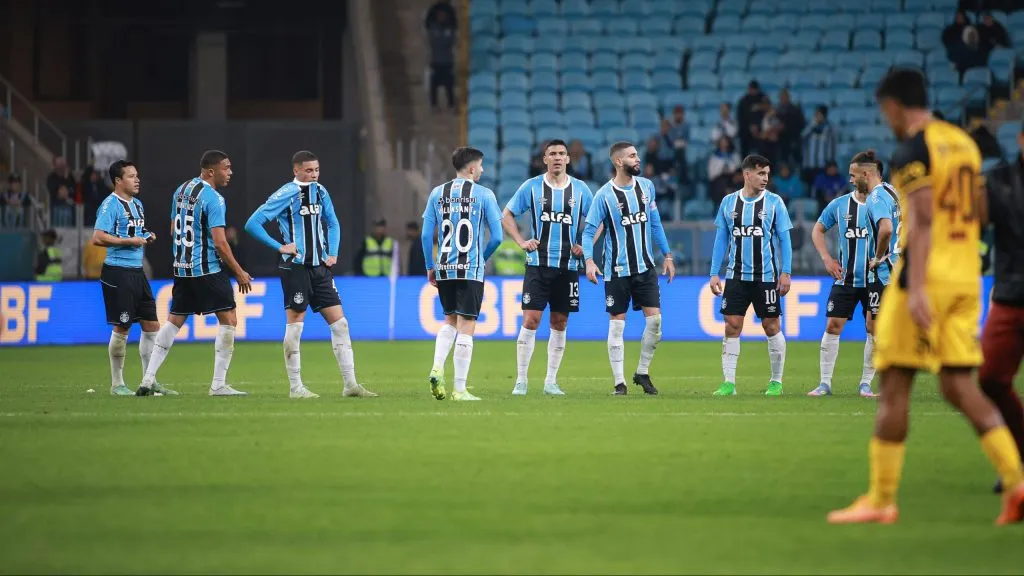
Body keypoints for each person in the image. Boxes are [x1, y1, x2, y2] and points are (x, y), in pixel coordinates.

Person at [828, 67, 1024, 525]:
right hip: (965, 279)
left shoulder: (913, 149)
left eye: (885, 111)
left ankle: (880, 498)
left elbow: (923, 218)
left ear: (894, 105)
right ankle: (1017, 483)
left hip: (926, 279)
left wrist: (916, 289)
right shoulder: (964, 144)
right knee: (959, 386)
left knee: (894, 385)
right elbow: (975, 210)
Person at [244, 150, 377, 399]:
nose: (314, 175)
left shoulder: (321, 192)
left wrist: (333, 253)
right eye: (308, 170)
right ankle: (296, 388)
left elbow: (333, 223)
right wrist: (280, 246)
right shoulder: (287, 193)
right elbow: (253, 223)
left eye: (316, 170)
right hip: (295, 268)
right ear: (296, 170)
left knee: (341, 324)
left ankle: (350, 385)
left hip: (320, 269)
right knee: (295, 327)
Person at [136, 150, 252, 397]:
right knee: (229, 320)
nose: (230, 173)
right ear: (211, 171)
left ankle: (147, 378)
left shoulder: (181, 190)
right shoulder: (214, 199)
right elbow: (220, 243)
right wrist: (239, 271)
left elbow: (172, 228)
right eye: (226, 168)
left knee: (174, 320)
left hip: (182, 268)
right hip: (207, 268)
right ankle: (218, 385)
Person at [582, 141, 675, 396]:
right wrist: (589, 261)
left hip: (645, 268)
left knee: (655, 322)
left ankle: (642, 373)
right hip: (617, 270)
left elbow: (655, 224)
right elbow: (589, 231)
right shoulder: (604, 195)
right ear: (618, 162)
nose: (638, 159)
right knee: (617, 326)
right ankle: (619, 383)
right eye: (633, 156)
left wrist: (667, 255)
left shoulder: (646, 187)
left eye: (637, 155)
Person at [502, 139, 594, 396]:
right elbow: (506, 214)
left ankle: (550, 381)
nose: (556, 157)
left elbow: (599, 220)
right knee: (530, 320)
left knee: (560, 322)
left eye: (561, 154)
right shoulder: (531, 187)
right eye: (552, 153)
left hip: (568, 267)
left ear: (568, 159)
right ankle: (521, 380)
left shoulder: (580, 190)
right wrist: (521, 241)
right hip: (538, 265)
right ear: (544, 159)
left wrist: (585, 245)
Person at [807, 150, 900, 398]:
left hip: (876, 277)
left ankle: (866, 383)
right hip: (846, 278)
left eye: (853, 175)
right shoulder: (840, 205)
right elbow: (817, 230)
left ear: (865, 174)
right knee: (833, 325)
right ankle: (824, 383)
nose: (849, 179)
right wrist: (827, 259)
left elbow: (891, 230)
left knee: (874, 328)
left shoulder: (883, 201)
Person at [422, 147, 503, 401]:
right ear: (471, 168)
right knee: (467, 326)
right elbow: (498, 237)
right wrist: (481, 258)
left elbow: (426, 235)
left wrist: (430, 265)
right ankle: (459, 389)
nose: (482, 170)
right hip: (470, 269)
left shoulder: (437, 193)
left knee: (450, 321)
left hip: (444, 267)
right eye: (480, 165)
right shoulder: (484, 194)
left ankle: (437, 367)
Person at [708, 155, 793, 396]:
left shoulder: (775, 203)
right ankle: (729, 383)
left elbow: (784, 240)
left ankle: (776, 381)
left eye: (767, 174)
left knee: (771, 325)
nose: (766, 178)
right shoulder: (728, 202)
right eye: (761, 174)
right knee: (732, 325)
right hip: (735, 276)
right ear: (747, 174)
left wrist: (786, 272)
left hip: (766, 276)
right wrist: (714, 272)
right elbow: (721, 239)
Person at [90, 161, 174, 396]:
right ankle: (117, 384)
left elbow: (133, 233)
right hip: (118, 272)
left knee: (151, 326)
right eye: (131, 176)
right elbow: (97, 238)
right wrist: (129, 242)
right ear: (118, 181)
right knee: (123, 325)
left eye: (137, 176)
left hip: (137, 272)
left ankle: (149, 380)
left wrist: (145, 235)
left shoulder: (137, 205)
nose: (137, 180)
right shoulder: (110, 205)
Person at [978, 122, 1024, 494]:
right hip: (1010, 293)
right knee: (989, 378)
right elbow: (977, 229)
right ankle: (1018, 455)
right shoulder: (998, 180)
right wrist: (976, 257)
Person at [802, 106, 837, 185]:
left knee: (822, 187)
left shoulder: (830, 127)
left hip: (823, 164)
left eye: (819, 114)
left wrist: (830, 161)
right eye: (816, 114)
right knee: (810, 186)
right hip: (810, 163)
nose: (817, 116)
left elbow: (833, 145)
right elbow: (802, 136)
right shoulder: (810, 126)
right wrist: (813, 125)